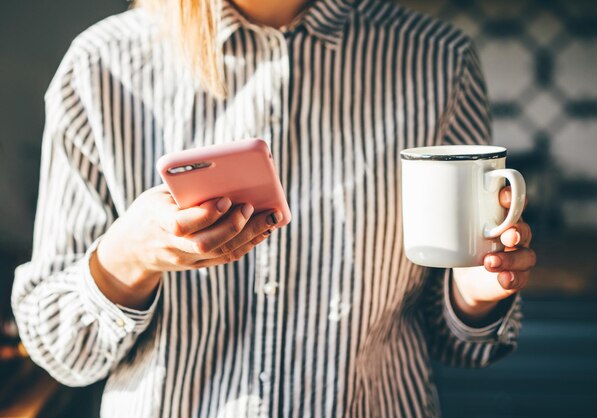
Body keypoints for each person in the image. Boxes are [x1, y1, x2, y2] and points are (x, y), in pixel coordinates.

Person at [12, 0, 536, 417]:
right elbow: (62, 351)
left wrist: (473, 294)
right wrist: (127, 258)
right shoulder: (100, 67)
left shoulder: (437, 60)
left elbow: (458, 341)